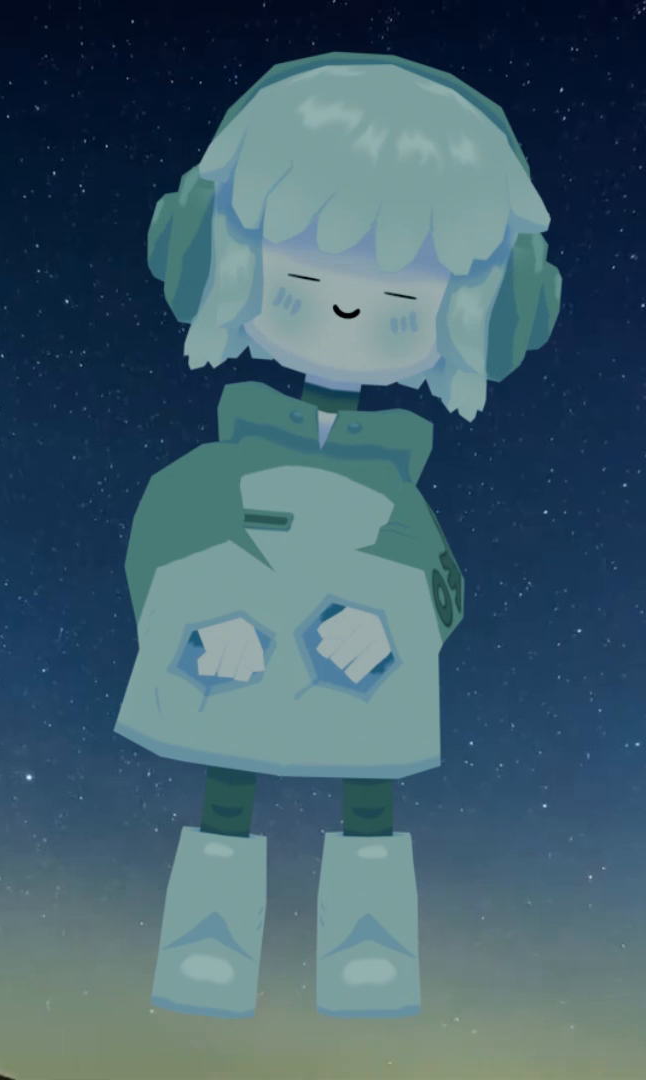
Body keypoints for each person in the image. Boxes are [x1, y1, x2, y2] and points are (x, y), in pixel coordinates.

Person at [119, 51, 563, 1019]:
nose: (352, 305)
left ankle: (368, 946)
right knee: (229, 786)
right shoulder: (222, 467)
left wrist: (397, 626)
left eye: (403, 298)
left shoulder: (397, 489)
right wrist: (195, 621)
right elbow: (162, 534)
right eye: (304, 275)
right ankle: (208, 940)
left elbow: (441, 581)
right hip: (232, 661)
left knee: (371, 794)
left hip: (359, 678)